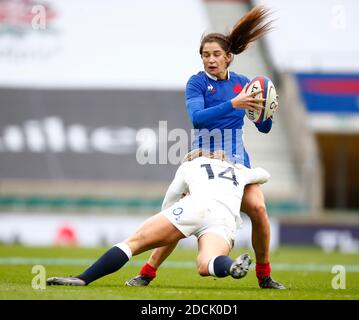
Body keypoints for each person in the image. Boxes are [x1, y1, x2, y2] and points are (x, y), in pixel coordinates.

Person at [126, 5, 285, 289]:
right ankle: (148, 271)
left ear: (228, 57)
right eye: (205, 55)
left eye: (215, 55)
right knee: (180, 218)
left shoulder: (243, 84)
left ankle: (264, 275)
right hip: (205, 165)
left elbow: (262, 127)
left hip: (238, 166)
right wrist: (234, 103)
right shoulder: (197, 83)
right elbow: (197, 119)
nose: (210, 60)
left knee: (259, 209)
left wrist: (267, 112)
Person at [46, 150, 271, 286]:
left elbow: (169, 205)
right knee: (205, 264)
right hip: (224, 219)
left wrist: (176, 214)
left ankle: (84, 277)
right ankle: (231, 267)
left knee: (133, 243)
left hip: (195, 205)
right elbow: (265, 174)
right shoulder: (240, 171)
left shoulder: (190, 165)